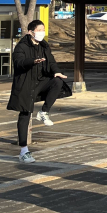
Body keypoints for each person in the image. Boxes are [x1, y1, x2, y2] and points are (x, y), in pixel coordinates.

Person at [7, 19, 69, 164]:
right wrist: (32, 61)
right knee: (25, 114)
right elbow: (18, 62)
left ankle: (44, 112)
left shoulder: (44, 45)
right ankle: (24, 151)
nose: (42, 32)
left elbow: (52, 61)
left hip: (41, 82)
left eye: (43, 30)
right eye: (39, 30)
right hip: (25, 85)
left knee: (58, 82)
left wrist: (57, 72)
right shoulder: (21, 46)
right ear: (31, 32)